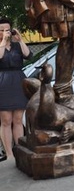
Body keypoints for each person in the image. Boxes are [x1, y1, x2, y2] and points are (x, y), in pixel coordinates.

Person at [0, 18, 32, 159]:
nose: (5, 32)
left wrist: (20, 40)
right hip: (3, 82)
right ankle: (9, 154)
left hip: (18, 80)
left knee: (18, 119)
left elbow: (28, 55)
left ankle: (19, 149)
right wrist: (3, 42)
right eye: (1, 30)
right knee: (6, 120)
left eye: (7, 29)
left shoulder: (16, 46)